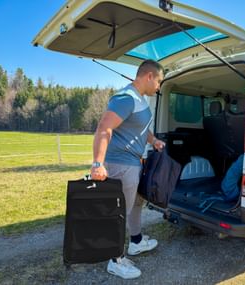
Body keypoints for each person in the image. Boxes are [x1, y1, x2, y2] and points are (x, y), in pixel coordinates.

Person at [91, 59, 166, 279]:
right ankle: (115, 260)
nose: (159, 87)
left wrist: (153, 141)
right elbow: (104, 127)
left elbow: (139, 128)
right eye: (159, 81)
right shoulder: (126, 98)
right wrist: (98, 163)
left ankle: (135, 242)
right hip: (121, 164)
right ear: (149, 76)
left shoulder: (140, 100)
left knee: (135, 204)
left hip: (134, 163)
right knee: (119, 212)